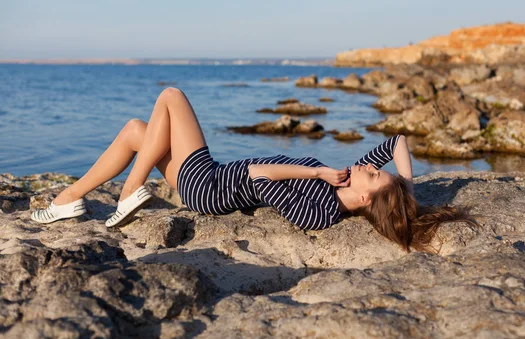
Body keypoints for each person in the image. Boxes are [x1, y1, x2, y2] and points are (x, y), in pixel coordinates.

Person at [31, 87, 474, 253]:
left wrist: (315, 174)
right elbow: (397, 142)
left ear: (363, 200)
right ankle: (67, 200)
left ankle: (131, 187)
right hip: (213, 176)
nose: (367, 167)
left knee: (171, 96)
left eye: (374, 176)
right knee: (135, 132)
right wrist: (404, 187)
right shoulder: (351, 180)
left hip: (208, 186)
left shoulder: (320, 210)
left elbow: (259, 180)